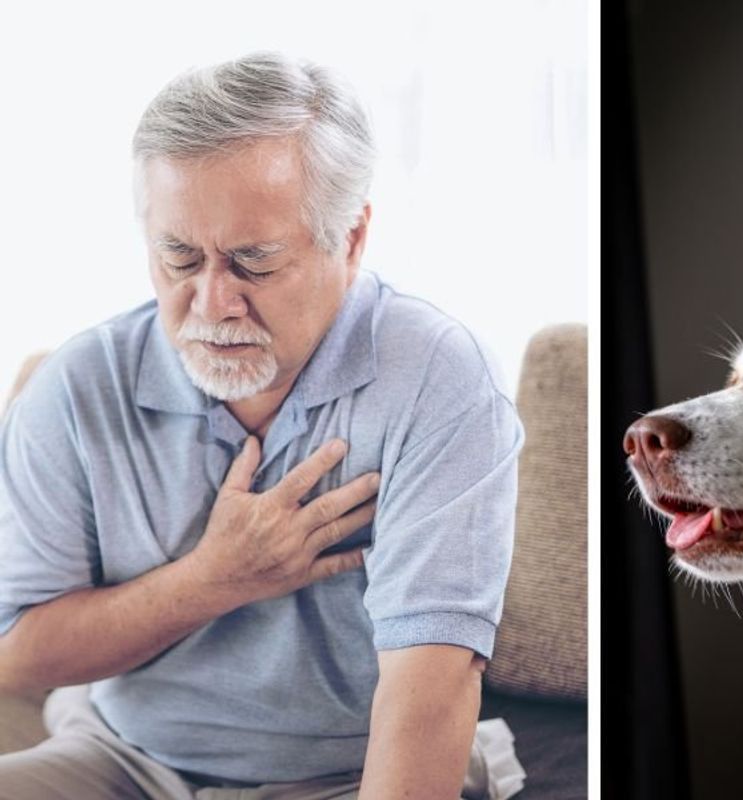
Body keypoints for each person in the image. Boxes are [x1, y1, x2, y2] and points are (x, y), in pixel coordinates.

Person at [0, 52, 524, 800]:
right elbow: (14, 653)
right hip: (124, 760)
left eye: (253, 261)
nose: (211, 303)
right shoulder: (77, 386)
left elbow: (431, 690)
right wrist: (211, 581)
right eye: (179, 257)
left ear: (350, 238)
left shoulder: (439, 377)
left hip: (343, 776)